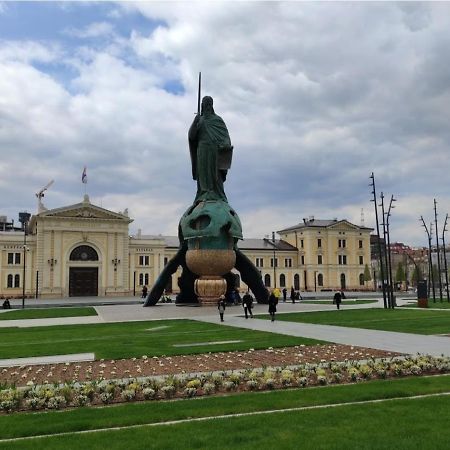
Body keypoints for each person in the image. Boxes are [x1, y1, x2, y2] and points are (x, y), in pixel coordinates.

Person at [188, 96, 233, 203]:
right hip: (202, 150)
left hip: (215, 151)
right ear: (202, 105)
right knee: (203, 172)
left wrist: (225, 144)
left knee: (215, 173)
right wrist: (195, 122)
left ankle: (216, 194)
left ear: (212, 105)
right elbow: (191, 136)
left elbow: (225, 136)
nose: (207, 106)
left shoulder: (217, 120)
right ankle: (203, 193)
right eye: (205, 104)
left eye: (209, 104)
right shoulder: (200, 120)